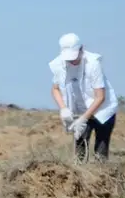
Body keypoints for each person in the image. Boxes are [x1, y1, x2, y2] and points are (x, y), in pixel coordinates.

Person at [49, 33, 118, 162]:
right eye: (69, 59)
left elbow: (100, 96)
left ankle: (101, 177)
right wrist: (63, 109)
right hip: (80, 110)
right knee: (80, 151)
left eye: (74, 57)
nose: (72, 61)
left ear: (81, 49)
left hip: (103, 111)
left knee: (100, 154)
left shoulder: (93, 64)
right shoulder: (59, 65)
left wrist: (84, 119)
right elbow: (55, 89)